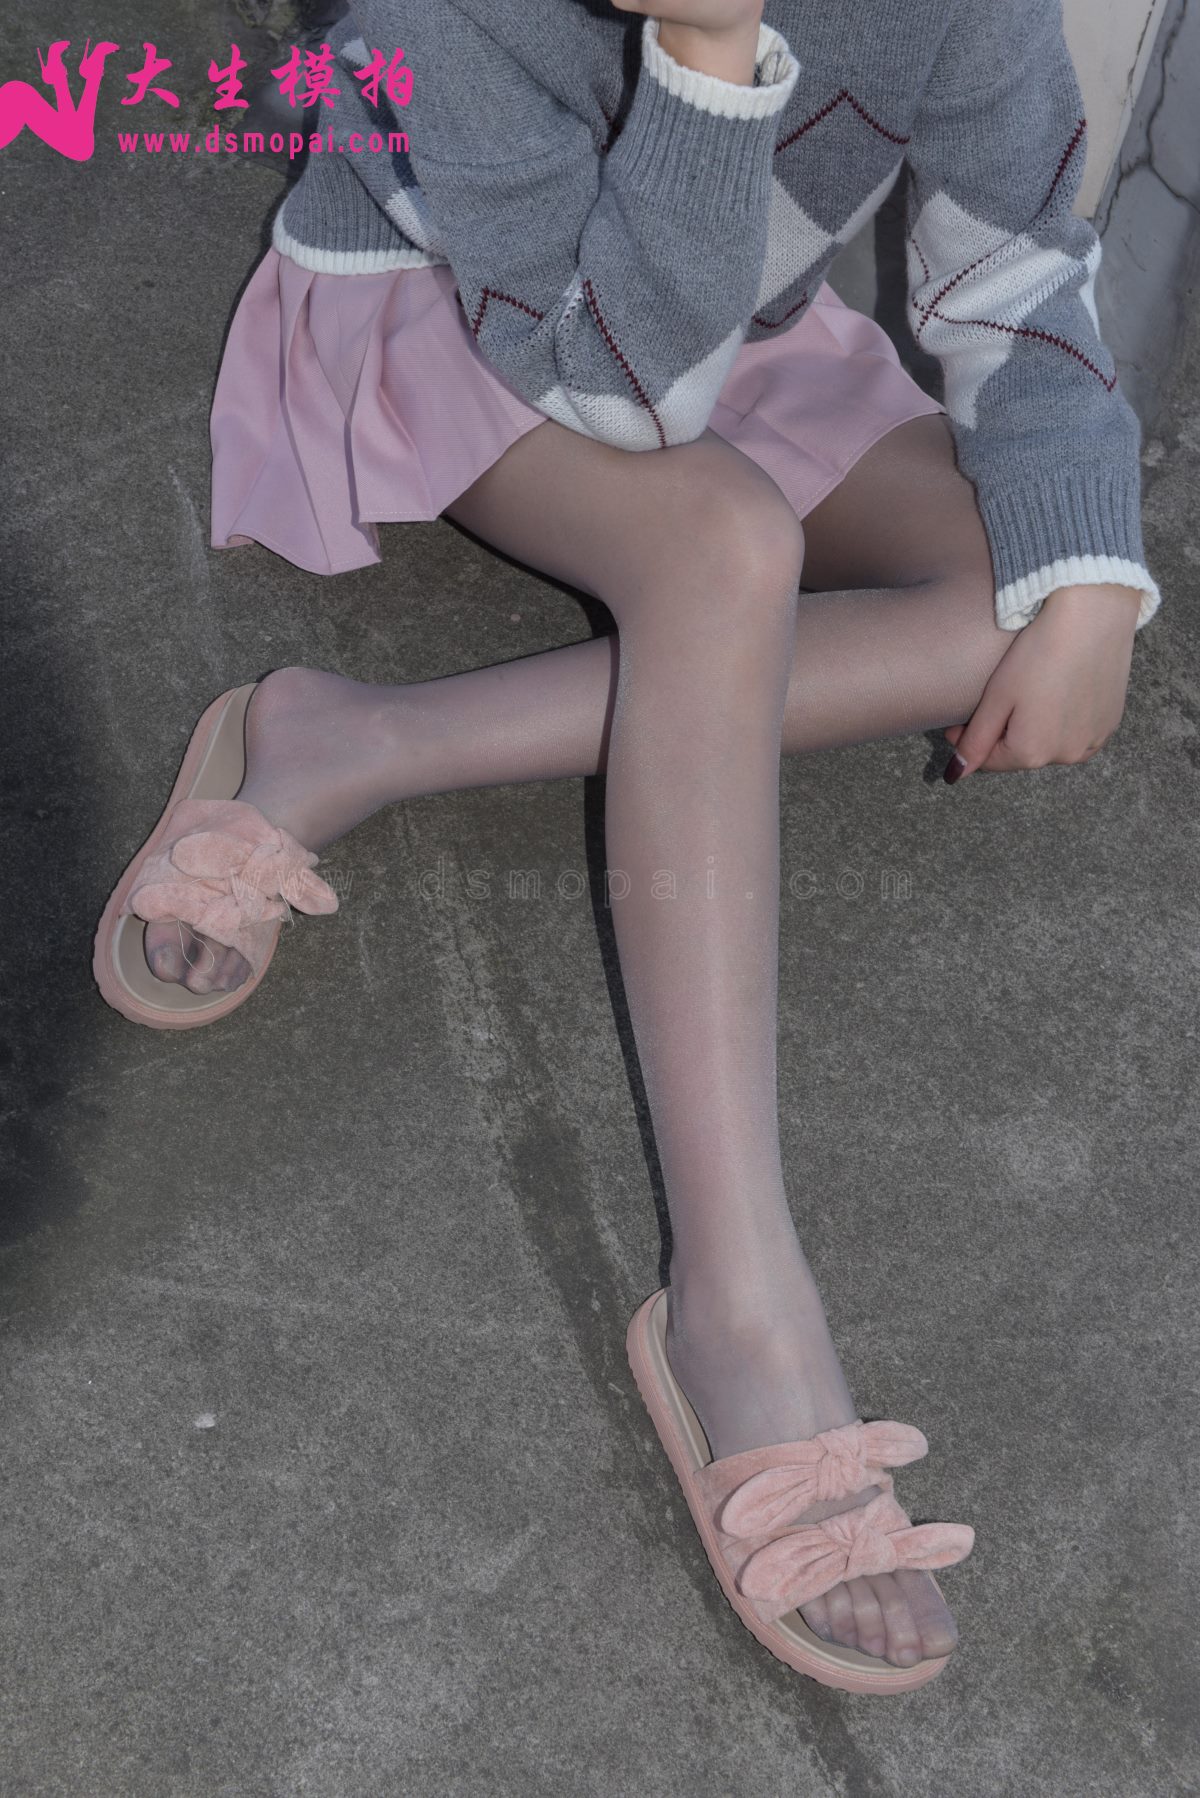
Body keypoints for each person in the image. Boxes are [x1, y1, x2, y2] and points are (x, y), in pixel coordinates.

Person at [93, 0, 1162, 1692]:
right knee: (723, 544)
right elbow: (619, 392)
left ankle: (363, 740)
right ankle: (740, 1296)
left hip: (728, 320)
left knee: (1019, 597)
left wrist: (1091, 565)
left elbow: (1018, 266)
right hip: (468, 325)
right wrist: (706, 61)